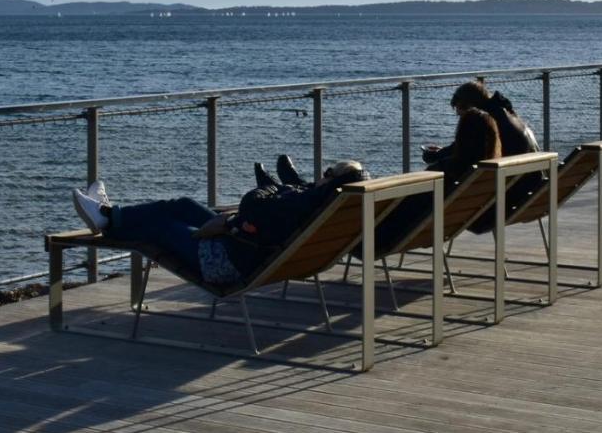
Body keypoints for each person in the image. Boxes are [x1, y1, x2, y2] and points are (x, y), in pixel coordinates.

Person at [71, 158, 367, 287]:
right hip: (247, 244)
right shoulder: (325, 204)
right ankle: (110, 215)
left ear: (331, 182)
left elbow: (252, 204)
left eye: (328, 172)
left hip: (229, 259)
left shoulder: (304, 203)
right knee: (183, 205)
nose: (322, 174)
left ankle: (108, 218)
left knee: (162, 225)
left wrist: (268, 191)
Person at [373, 107, 502, 252]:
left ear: (461, 137)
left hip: (391, 233)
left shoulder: (444, 172)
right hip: (442, 228)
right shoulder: (487, 173)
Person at [421, 80, 543, 235]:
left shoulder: (486, 121)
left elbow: (463, 154)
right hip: (530, 193)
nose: (461, 121)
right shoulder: (508, 116)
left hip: (504, 201)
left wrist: (435, 157)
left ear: (470, 107)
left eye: (462, 115)